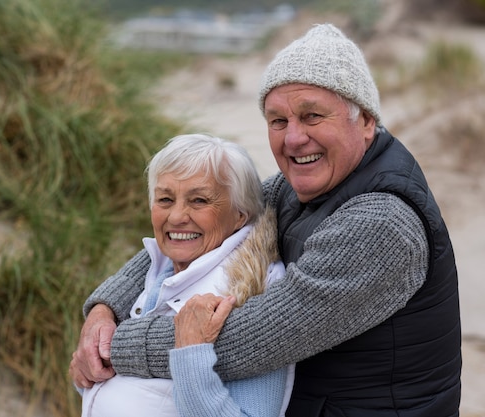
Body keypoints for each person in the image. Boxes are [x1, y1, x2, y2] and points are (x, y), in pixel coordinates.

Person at [70, 23, 461, 417]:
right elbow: (200, 227)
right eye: (278, 121)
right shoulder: (296, 187)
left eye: (312, 116)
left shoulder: (380, 224)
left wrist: (112, 346)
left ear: (365, 122)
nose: (293, 139)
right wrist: (105, 308)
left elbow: (249, 341)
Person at [75, 133, 294, 417]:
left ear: (240, 215)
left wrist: (190, 355)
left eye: (199, 200)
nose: (177, 216)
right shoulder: (165, 267)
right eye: (165, 199)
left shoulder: (253, 289)